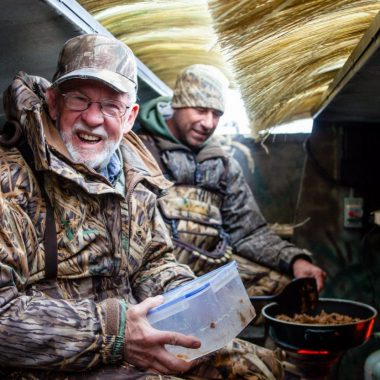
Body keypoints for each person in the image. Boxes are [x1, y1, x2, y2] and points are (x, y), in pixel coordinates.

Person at [0, 34, 284, 379]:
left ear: (130, 116)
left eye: (110, 106)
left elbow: (153, 259)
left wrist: (186, 303)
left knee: (260, 367)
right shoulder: (12, 181)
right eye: (79, 99)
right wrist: (114, 333)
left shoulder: (133, 178)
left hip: (134, 341)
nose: (93, 118)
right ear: (54, 102)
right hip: (52, 363)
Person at [137, 64, 327, 300]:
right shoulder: (138, 150)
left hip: (210, 271)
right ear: (177, 104)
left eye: (216, 114)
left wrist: (294, 260)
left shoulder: (223, 165)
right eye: (200, 110)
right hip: (156, 274)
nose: (208, 123)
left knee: (290, 291)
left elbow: (248, 231)